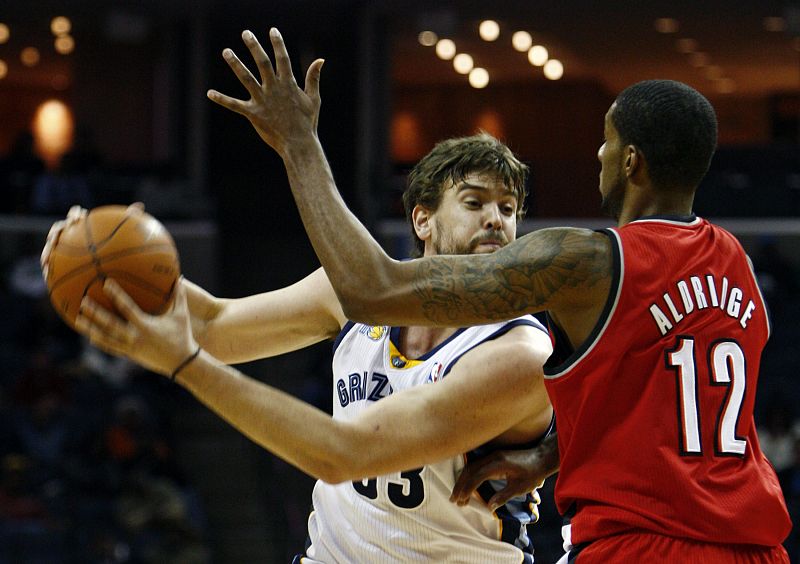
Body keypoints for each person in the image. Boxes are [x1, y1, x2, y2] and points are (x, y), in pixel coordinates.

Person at [204, 28, 793, 561]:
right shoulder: (735, 265)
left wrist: (299, 145)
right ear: (422, 219)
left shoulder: (584, 265)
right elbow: (665, 399)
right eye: (476, 203)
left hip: (639, 543)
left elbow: (372, 288)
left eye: (607, 143)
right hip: (752, 541)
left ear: (630, 160)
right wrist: (547, 456)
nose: (599, 155)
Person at [45, 132, 557, 562]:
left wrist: (186, 364)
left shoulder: (517, 352)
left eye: (508, 208)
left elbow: (343, 454)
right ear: (422, 220)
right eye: (475, 202)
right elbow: (215, 325)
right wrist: (108, 267)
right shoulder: (351, 297)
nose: (497, 220)